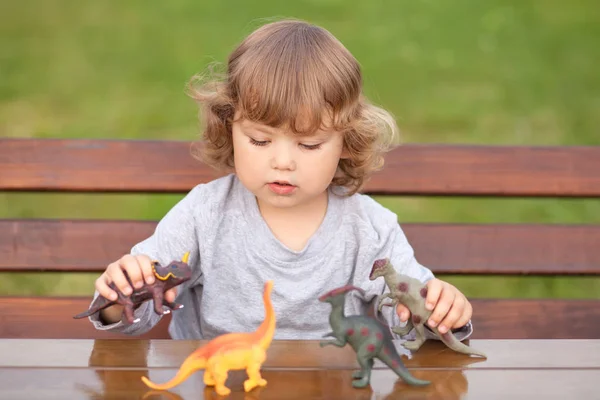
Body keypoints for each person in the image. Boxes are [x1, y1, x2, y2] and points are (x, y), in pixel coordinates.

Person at [89, 18, 473, 341]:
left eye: (309, 144)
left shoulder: (370, 230)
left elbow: (413, 324)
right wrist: (121, 296)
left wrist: (442, 313)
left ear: (345, 142)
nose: (283, 162)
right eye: (259, 140)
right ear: (230, 128)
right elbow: (132, 318)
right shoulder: (203, 215)